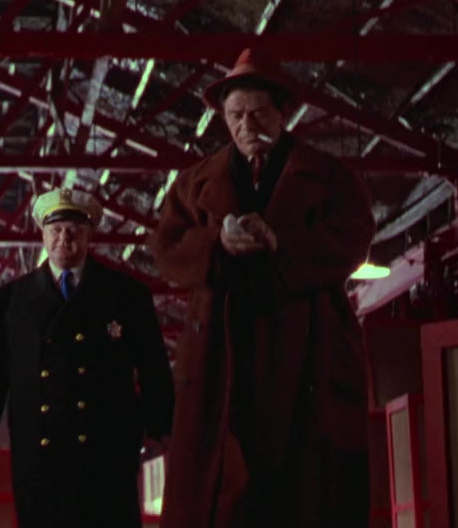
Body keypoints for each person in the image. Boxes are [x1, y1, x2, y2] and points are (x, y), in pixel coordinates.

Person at [149, 49, 375, 528]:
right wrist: (216, 243)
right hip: (221, 350)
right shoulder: (194, 183)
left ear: (282, 112)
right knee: (223, 483)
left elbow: (355, 237)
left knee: (304, 487)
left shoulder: (330, 176)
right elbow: (165, 248)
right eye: (235, 115)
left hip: (307, 345)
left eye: (257, 113)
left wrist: (283, 243)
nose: (246, 125)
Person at [0, 188, 175, 528]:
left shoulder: (127, 294)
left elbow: (152, 364)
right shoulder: (10, 299)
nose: (64, 238)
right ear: (43, 236)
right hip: (38, 443)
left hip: (106, 442)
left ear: (89, 235)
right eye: (56, 230)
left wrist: (162, 423)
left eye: (74, 230)